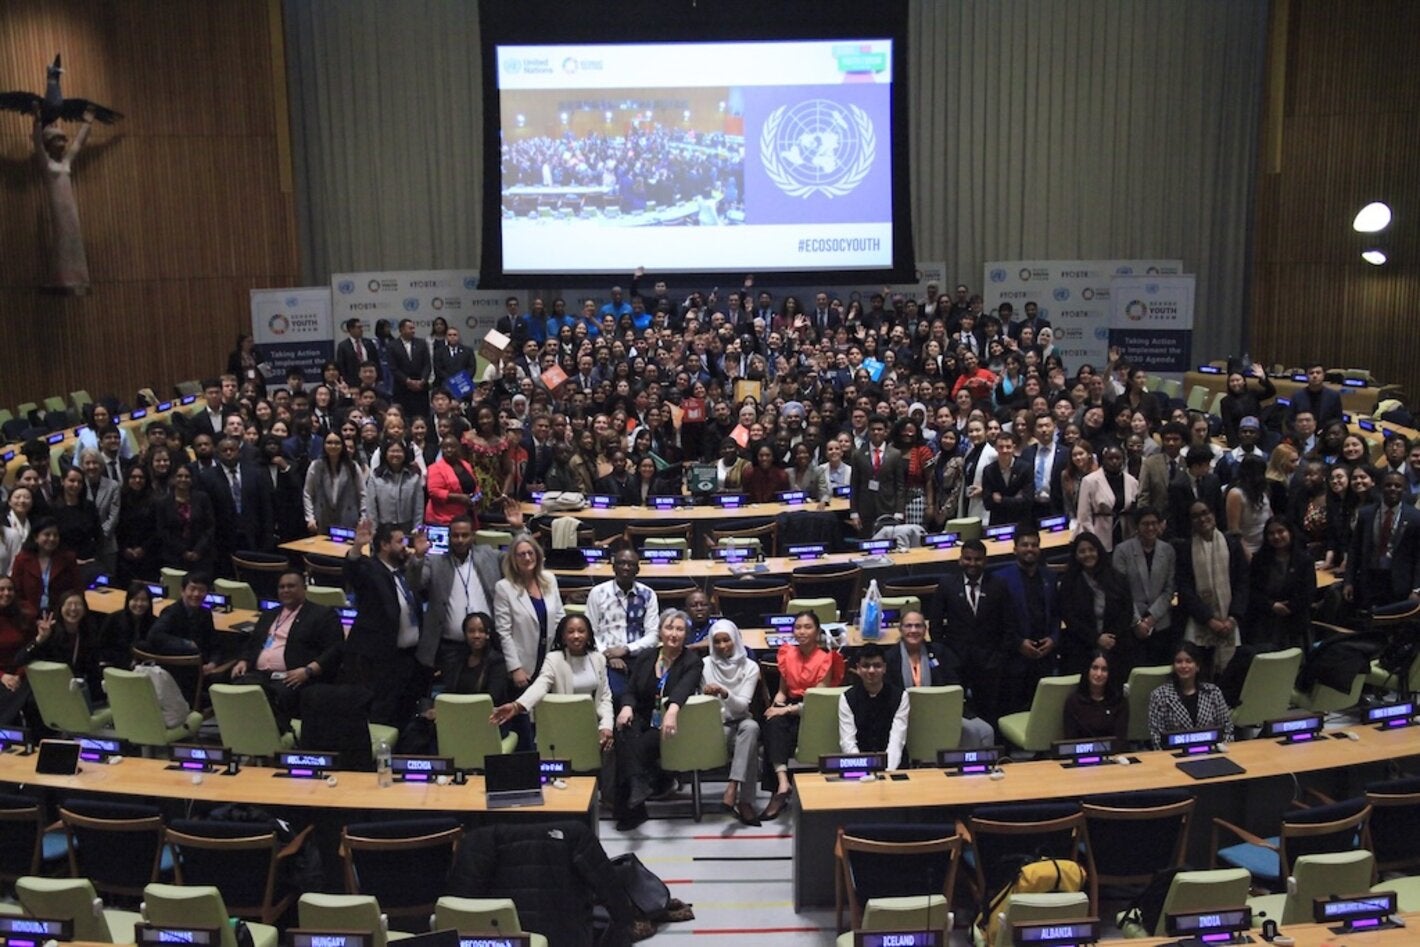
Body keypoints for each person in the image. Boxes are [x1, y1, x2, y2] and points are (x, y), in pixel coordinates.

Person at [613, 608, 703, 831]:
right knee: (622, 731)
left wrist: (671, 711)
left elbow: (683, 689)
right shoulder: (646, 656)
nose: (673, 634)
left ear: (686, 634)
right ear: (660, 632)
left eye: (679, 629)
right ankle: (638, 790)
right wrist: (626, 707)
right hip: (643, 716)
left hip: (673, 722)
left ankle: (631, 808)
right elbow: (630, 690)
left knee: (633, 749)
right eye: (669, 628)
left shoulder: (692, 661)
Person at [230, 569, 343, 729]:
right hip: (259, 674)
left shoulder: (322, 614)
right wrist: (244, 660)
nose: (285, 590)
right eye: (281, 587)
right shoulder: (269, 615)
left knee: (270, 695)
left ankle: (274, 739)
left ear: (304, 588)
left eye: (291, 586)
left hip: (294, 676)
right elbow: (253, 643)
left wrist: (308, 671)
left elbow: (335, 650)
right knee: (238, 688)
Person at [340, 518, 426, 727]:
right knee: (381, 714)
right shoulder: (372, 571)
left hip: (408, 657)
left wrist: (420, 555)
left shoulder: (401, 571)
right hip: (381, 660)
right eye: (399, 542)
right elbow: (353, 572)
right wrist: (357, 547)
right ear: (384, 545)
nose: (404, 546)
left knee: (403, 713)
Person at [490, 613, 614, 753]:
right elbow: (540, 685)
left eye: (581, 631)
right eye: (570, 631)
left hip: (592, 725)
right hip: (562, 726)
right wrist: (517, 706)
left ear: (589, 635)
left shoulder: (598, 659)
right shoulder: (554, 659)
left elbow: (604, 698)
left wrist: (606, 726)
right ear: (563, 636)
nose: (576, 636)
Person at [761, 610, 844, 820]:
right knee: (772, 724)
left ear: (817, 632)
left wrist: (785, 709)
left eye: (808, 627)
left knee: (785, 727)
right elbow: (782, 690)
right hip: (790, 705)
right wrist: (776, 704)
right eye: (797, 627)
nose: (802, 631)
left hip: (814, 709)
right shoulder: (787, 653)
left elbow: (817, 701)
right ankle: (781, 784)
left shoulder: (826, 659)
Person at [929, 540, 1017, 725]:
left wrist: (999, 655)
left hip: (989, 662)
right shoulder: (947, 584)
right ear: (960, 559)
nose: (972, 563)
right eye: (968, 558)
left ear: (985, 561)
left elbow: (1009, 623)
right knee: (956, 713)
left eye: (978, 559)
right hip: (956, 661)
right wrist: (944, 655)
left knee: (989, 712)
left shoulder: (998, 585)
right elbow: (935, 623)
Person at [886, 610, 996, 747]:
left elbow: (954, 684)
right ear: (900, 629)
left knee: (986, 731)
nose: (913, 630)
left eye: (918, 626)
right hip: (905, 716)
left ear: (925, 629)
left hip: (942, 713)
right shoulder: (890, 658)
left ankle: (974, 767)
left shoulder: (940, 653)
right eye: (908, 626)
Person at [1175, 501, 1250, 676]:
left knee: (1230, 675)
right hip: (1199, 624)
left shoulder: (1232, 544)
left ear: (1214, 515)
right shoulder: (1185, 549)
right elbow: (1185, 590)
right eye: (1195, 516)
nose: (1202, 519)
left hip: (1231, 622)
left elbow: (1242, 583)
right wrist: (1210, 620)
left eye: (1205, 513)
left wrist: (1232, 619)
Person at [699, 619, 762, 826]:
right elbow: (701, 704)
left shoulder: (750, 666)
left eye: (727, 640)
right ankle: (745, 803)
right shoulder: (705, 665)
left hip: (741, 720)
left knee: (750, 728)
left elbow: (742, 706)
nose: (722, 646)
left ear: (735, 639)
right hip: (717, 726)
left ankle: (733, 786)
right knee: (750, 740)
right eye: (717, 642)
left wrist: (724, 692)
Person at [584, 545, 661, 697]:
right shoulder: (598, 593)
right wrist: (608, 655)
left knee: (648, 694)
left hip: (639, 657)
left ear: (638, 570)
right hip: (604, 656)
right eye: (621, 563)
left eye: (631, 564)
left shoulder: (648, 594)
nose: (626, 567)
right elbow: (589, 631)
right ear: (613, 567)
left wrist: (626, 649)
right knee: (616, 695)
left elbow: (653, 636)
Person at [1057, 532, 1136, 676]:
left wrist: (1111, 638)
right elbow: (1069, 617)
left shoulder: (1118, 579)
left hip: (1117, 647)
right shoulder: (1068, 583)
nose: (1088, 554)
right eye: (1082, 551)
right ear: (1075, 555)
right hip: (1082, 649)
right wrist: (1096, 639)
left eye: (1091, 549)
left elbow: (1127, 611)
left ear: (1098, 550)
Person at [1343, 470, 1420, 611]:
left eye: (1397, 486)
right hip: (1370, 579)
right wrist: (1349, 581)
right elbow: (1354, 550)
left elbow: (1418, 557)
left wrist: (1417, 589)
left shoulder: (1415, 518)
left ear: (1404, 490)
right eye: (1388, 485)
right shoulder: (1366, 514)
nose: (1392, 489)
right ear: (1380, 488)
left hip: (1400, 583)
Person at [1112, 507, 1178, 668]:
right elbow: (1120, 590)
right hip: (1132, 625)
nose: (1150, 528)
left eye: (1154, 523)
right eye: (1145, 524)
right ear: (1137, 526)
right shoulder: (1122, 551)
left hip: (1161, 623)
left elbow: (1169, 589)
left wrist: (1152, 617)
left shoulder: (1168, 550)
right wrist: (1138, 622)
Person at [1246, 518, 1317, 651]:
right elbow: (1252, 591)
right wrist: (1272, 605)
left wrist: (1288, 607)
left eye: (1281, 531)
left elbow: (1308, 593)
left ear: (1290, 532)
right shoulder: (1259, 560)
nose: (1276, 536)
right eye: (1271, 533)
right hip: (1265, 624)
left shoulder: (1304, 560)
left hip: (1295, 623)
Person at [1146, 642, 1234, 750]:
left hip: (1212, 754)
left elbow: (1227, 728)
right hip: (1174, 756)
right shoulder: (1159, 696)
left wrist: (1222, 750)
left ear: (1197, 666)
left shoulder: (1213, 692)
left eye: (1189, 661)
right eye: (1179, 661)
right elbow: (1156, 737)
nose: (1184, 666)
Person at [838, 643, 910, 768]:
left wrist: (887, 771)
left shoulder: (900, 696)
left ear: (884, 668)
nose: (871, 671)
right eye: (866, 666)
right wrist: (861, 768)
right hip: (858, 764)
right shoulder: (847, 698)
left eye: (877, 666)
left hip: (894, 765)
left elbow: (897, 740)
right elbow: (847, 741)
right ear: (858, 668)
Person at [849, 414, 905, 535]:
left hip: (888, 507)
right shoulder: (858, 454)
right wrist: (854, 512)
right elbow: (854, 485)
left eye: (879, 429)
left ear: (886, 432)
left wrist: (899, 511)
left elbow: (900, 486)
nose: (876, 432)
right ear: (868, 431)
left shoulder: (895, 454)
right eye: (873, 429)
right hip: (865, 509)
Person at [11, 519, 78, 617]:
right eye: (47, 534)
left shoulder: (68, 559)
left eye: (55, 535)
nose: (52, 538)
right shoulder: (22, 560)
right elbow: (17, 591)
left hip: (61, 614)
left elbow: (77, 588)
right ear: (35, 538)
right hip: (28, 615)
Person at [1076, 446, 1137, 551]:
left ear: (1123, 460)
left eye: (1118, 458)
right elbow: (1084, 516)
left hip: (1126, 534)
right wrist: (1093, 540)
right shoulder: (1090, 481)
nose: (1114, 461)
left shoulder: (1132, 481)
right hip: (1100, 535)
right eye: (1110, 458)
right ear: (1103, 460)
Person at [303, 431, 364, 533]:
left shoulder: (352, 466)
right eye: (329, 442)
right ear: (324, 445)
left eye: (337, 443)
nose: (333, 446)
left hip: (348, 518)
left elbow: (362, 494)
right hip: (322, 518)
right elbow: (308, 493)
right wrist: (310, 518)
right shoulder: (316, 466)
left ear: (342, 445)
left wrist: (363, 518)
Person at [1062, 650, 1128, 742]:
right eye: (1095, 668)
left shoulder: (1119, 702)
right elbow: (1070, 741)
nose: (1099, 674)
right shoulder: (1073, 702)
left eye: (1104, 669)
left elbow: (1120, 740)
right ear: (1087, 670)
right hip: (1081, 754)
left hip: (1112, 755)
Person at [94, 580, 154, 674]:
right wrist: (127, 661)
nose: (139, 604)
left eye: (144, 600)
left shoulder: (154, 622)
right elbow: (102, 648)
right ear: (128, 601)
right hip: (116, 668)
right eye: (135, 599)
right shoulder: (113, 619)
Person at [365, 438, 423, 531]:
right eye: (392, 451)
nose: (395, 454)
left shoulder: (413, 477)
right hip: (383, 528)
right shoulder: (375, 477)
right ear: (385, 454)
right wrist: (373, 531)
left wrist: (417, 529)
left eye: (399, 451)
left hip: (406, 527)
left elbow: (418, 509)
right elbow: (371, 508)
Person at [114, 465, 159, 584]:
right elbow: (117, 528)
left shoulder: (155, 501)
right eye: (133, 477)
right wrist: (124, 549)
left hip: (149, 555)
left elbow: (157, 529)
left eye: (141, 477)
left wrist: (143, 548)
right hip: (124, 556)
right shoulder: (120, 500)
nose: (137, 480)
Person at [0, 576, 35, 725]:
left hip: (21, 673)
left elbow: (30, 650)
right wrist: (2, 676)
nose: (6, 593)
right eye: (1, 589)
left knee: (32, 701)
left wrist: (18, 675)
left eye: (10, 589)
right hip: (1, 674)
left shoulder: (24, 615)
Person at [426, 433, 482, 527]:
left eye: (452, 447)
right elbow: (434, 492)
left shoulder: (466, 465)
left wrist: (477, 496)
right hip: (443, 518)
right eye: (445, 447)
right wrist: (459, 498)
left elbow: (473, 484)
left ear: (459, 448)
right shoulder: (435, 468)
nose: (449, 450)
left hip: (467, 515)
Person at [1224, 454, 1272, 560]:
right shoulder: (1236, 494)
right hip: (1247, 550)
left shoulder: (1263, 491)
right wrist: (1247, 554)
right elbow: (1234, 530)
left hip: (1266, 548)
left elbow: (1269, 516)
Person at [387, 317, 432, 419]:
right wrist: (407, 381)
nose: (413, 331)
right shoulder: (392, 346)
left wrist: (423, 380)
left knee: (422, 416)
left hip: (421, 389)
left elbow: (427, 364)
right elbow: (393, 368)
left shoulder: (421, 343)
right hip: (402, 389)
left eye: (413, 328)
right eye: (410, 328)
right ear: (402, 330)